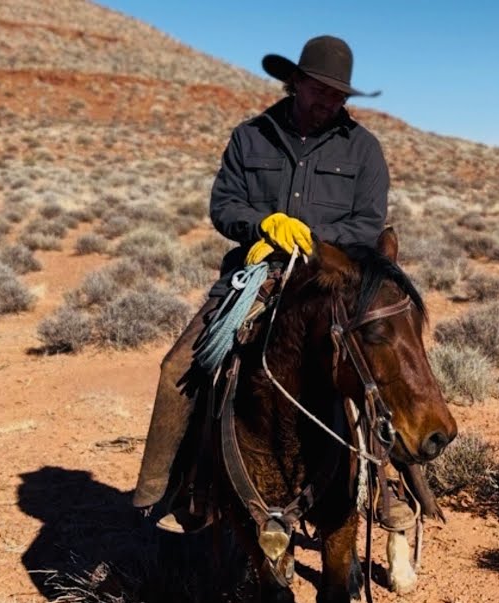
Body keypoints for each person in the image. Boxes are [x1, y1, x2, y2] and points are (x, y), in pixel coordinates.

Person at [132, 35, 391, 532]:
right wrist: (262, 227)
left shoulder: (363, 149)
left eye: (338, 95)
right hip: (255, 276)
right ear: (293, 82)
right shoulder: (250, 137)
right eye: (319, 90)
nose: (329, 102)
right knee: (178, 369)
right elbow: (224, 207)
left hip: (329, 282)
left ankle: (392, 490)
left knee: (384, 371)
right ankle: (171, 490)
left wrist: (312, 242)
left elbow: (367, 225)